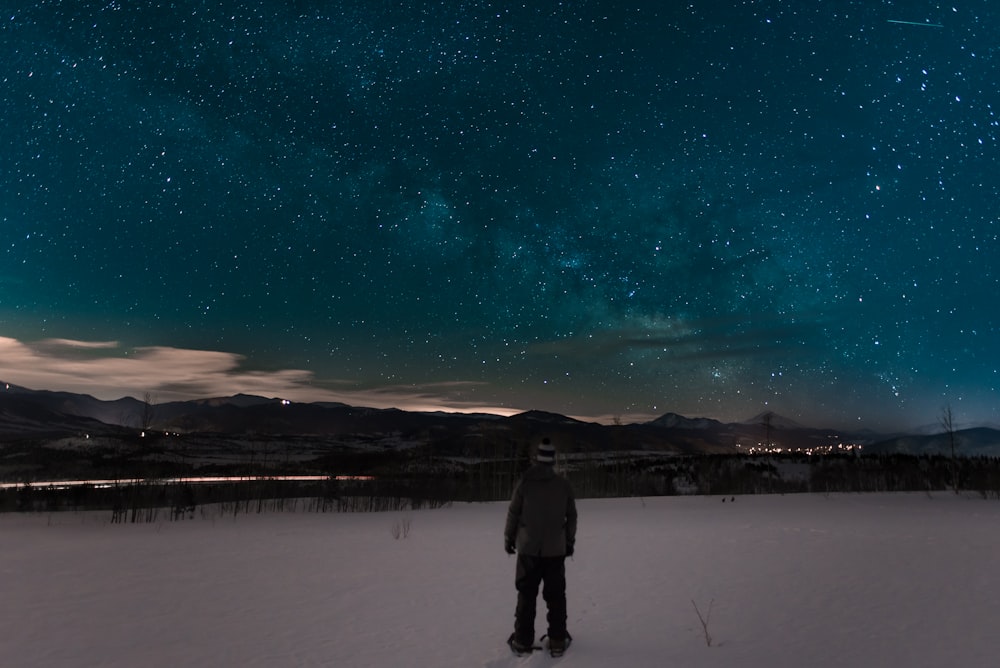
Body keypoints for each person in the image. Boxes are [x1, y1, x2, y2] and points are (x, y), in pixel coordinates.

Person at [504, 437, 577, 656]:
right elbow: (571, 516)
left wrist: (509, 538)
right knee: (556, 596)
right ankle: (556, 640)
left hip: (528, 549)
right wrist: (569, 542)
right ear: (552, 460)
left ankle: (522, 640)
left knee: (526, 595)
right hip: (555, 550)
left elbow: (514, 512)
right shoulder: (563, 484)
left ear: (537, 459)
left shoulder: (525, 483)